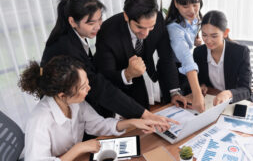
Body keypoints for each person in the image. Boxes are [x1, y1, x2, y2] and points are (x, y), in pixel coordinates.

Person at [40, 0, 173, 127]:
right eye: (91, 22)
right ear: (72, 21)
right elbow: (98, 85)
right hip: (63, 110)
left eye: (99, 19)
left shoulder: (74, 35)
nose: (98, 27)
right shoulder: (67, 47)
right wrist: (144, 114)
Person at [19, 56, 165, 160]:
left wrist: (132, 122)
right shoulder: (39, 120)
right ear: (63, 95)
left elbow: (98, 124)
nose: (89, 88)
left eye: (87, 82)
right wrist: (79, 148)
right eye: (83, 87)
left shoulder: (74, 102)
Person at [94, 0, 188, 111]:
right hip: (114, 77)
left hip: (137, 74)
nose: (145, 33)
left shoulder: (158, 19)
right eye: (139, 27)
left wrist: (174, 92)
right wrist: (127, 74)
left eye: (151, 27)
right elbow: (106, 75)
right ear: (126, 16)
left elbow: (166, 57)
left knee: (144, 111)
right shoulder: (107, 31)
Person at [193, 10, 252, 105]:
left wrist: (229, 93)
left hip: (235, 102)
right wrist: (202, 85)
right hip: (212, 100)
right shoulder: (199, 52)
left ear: (225, 33)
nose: (208, 40)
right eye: (204, 35)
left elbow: (246, 90)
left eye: (214, 36)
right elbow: (199, 79)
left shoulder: (241, 52)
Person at [165, 0, 205, 112]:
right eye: (185, 6)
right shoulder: (173, 28)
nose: (192, 10)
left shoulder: (195, 20)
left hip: (188, 70)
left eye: (195, 4)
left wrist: (194, 42)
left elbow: (188, 39)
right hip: (174, 71)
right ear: (176, 4)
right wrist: (198, 96)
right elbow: (186, 57)